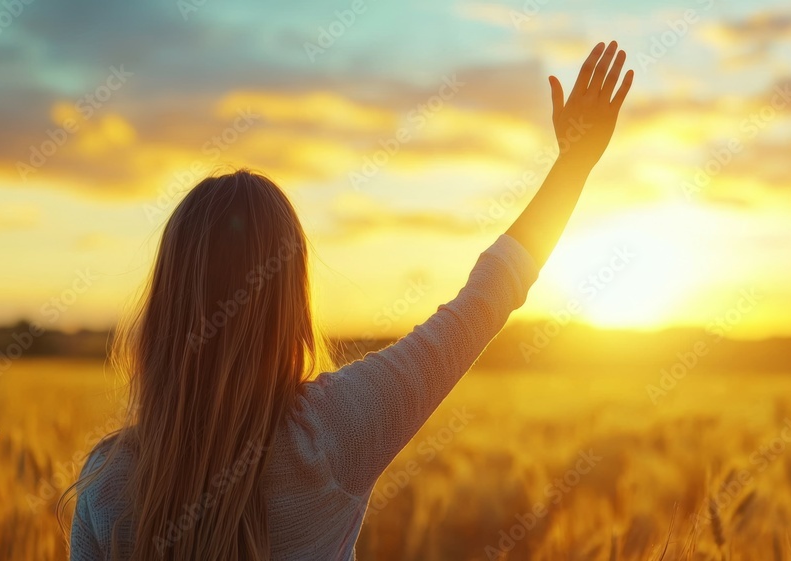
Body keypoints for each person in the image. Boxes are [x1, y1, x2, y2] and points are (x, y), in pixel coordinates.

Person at [64, 40, 634, 560]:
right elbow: (487, 297)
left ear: (166, 308)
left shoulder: (107, 484)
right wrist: (572, 166)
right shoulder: (335, 433)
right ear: (290, 306)